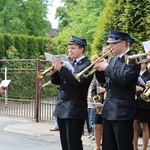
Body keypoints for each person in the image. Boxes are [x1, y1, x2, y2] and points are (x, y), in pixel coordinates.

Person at [93, 29, 141, 150]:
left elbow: (125, 79)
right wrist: (99, 69)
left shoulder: (133, 59)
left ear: (123, 43)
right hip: (109, 110)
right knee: (108, 146)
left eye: (113, 43)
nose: (110, 46)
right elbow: (104, 81)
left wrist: (107, 67)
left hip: (122, 112)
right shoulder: (113, 59)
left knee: (123, 146)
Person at [50, 35, 93, 150]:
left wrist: (62, 69)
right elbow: (56, 81)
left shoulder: (87, 64)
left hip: (74, 108)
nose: (70, 51)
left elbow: (78, 83)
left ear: (81, 49)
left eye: (73, 48)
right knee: (65, 143)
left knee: (74, 143)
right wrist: (54, 70)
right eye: (69, 48)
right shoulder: (70, 62)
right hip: (62, 107)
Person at [133, 56, 150, 150]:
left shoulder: (148, 74)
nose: (140, 65)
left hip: (144, 103)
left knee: (144, 126)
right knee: (134, 125)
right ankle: (134, 147)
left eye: (142, 63)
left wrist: (141, 88)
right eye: (139, 63)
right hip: (134, 102)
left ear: (146, 64)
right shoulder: (135, 74)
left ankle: (144, 148)